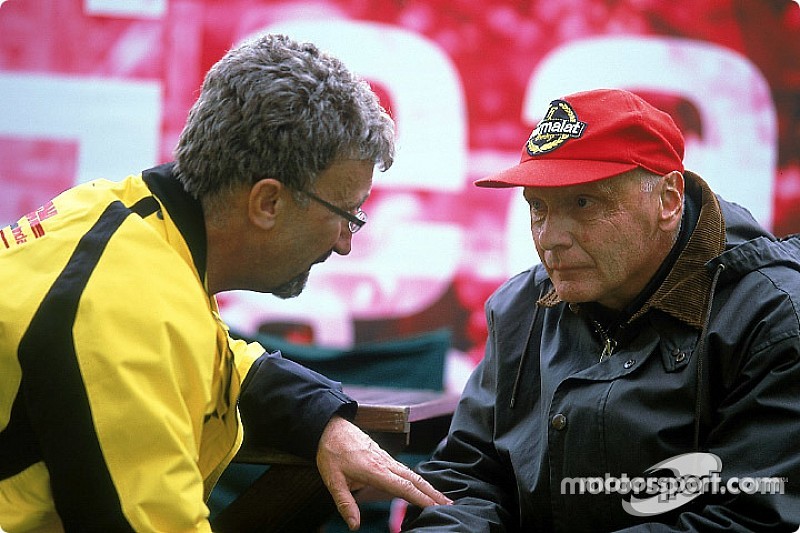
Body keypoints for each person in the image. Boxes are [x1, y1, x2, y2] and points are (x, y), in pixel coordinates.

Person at [0, 33, 450, 532]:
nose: (346, 243)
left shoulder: (129, 222)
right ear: (268, 203)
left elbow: (215, 355)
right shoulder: (121, 310)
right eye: (347, 214)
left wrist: (321, 420)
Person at [402, 88, 800, 531]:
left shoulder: (773, 317)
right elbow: (467, 477)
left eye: (583, 203)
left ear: (668, 200)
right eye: (538, 207)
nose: (551, 237)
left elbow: (746, 518)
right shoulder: (519, 307)